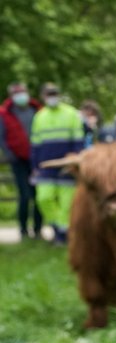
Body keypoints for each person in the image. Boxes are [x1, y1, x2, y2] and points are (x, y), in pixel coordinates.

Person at [30, 83, 83, 245]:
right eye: (49, 94)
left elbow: (78, 139)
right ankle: (57, 227)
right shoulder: (39, 116)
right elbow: (35, 144)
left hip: (66, 166)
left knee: (66, 203)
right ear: (43, 97)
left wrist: (75, 156)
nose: (52, 97)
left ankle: (63, 236)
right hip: (45, 167)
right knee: (43, 198)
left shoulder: (71, 113)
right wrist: (34, 166)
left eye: (54, 94)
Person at [0, 82, 44, 240]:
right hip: (18, 160)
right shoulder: (5, 113)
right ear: (12, 95)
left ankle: (38, 229)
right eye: (17, 92)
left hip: (37, 159)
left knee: (38, 195)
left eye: (22, 91)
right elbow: (2, 138)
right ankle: (24, 230)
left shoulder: (37, 110)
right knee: (24, 195)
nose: (21, 95)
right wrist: (9, 154)